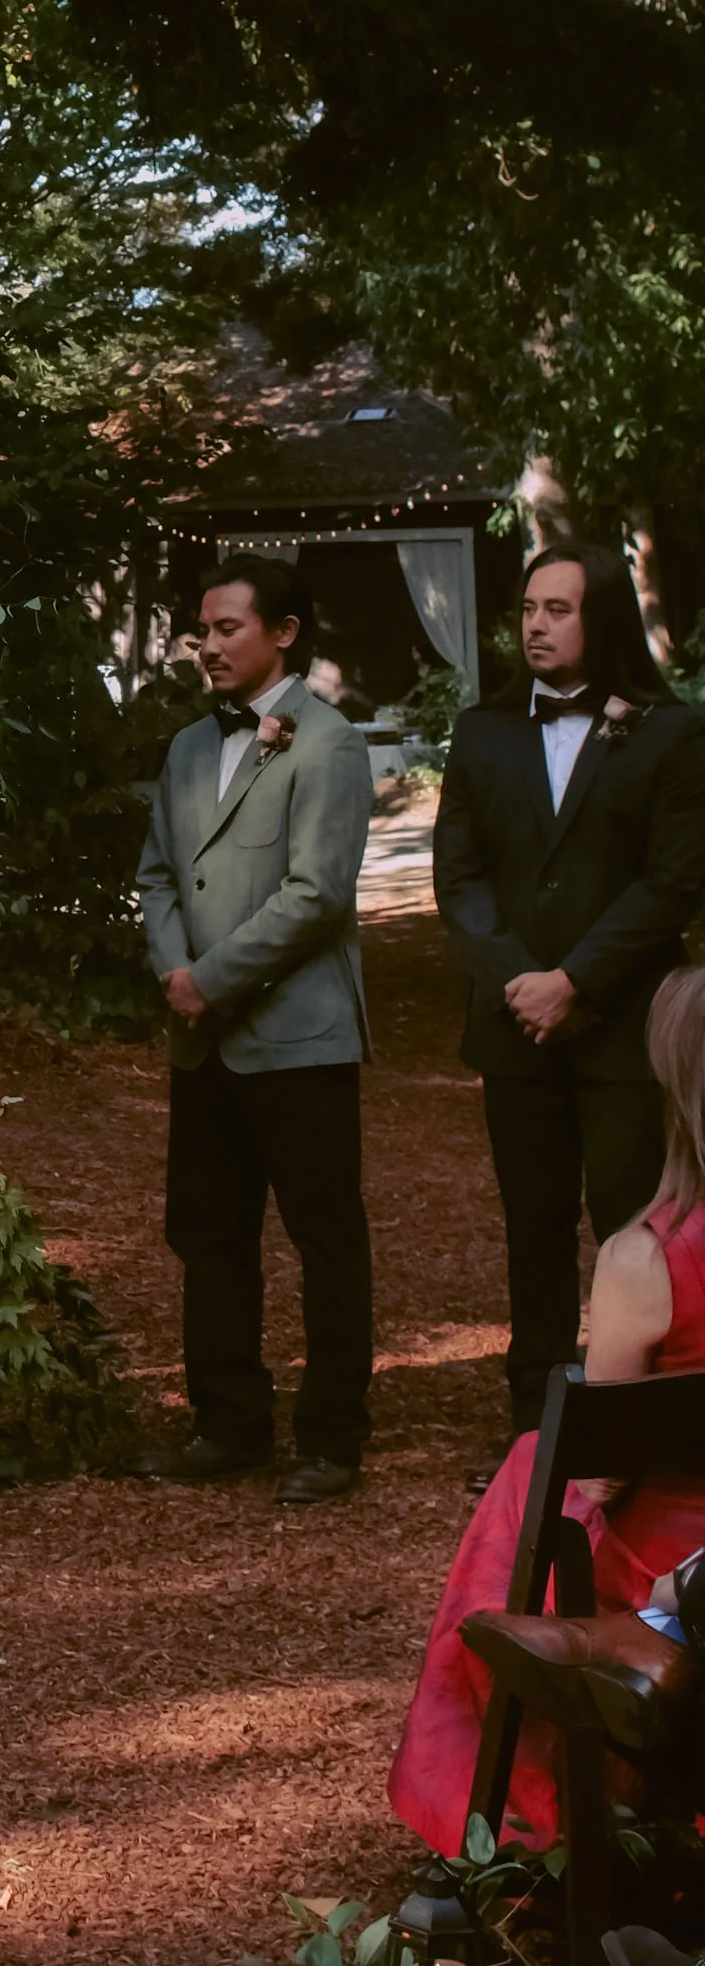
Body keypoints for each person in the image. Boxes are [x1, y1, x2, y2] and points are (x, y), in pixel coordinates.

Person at [390, 965, 705, 1858]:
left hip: (661, 1563)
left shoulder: (646, 1261)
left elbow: (603, 1474)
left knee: (535, 1475)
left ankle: (498, 1827)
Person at [433, 538, 705, 1478]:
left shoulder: (670, 733)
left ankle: (641, 1441)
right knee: (532, 1227)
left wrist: (577, 982)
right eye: (528, 609)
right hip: (515, 1030)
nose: (537, 625)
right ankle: (534, 1442)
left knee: (633, 1225)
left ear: (605, 620)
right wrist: (524, 983)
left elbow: (672, 884)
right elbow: (460, 881)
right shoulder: (480, 732)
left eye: (559, 608)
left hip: (624, 1028)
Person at [133, 552, 376, 1503]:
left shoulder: (328, 744)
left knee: (324, 1236)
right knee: (207, 1233)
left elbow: (317, 894)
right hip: (202, 1038)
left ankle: (331, 1438)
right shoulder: (190, 746)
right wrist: (172, 971)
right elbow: (156, 871)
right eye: (202, 630)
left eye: (228, 628)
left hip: (299, 1035)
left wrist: (214, 979)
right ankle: (226, 1424)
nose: (208, 647)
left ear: (284, 633)